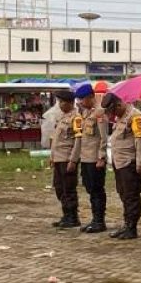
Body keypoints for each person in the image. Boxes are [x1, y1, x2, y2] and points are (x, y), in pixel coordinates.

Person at [104, 92, 141, 239]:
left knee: (131, 196)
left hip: (130, 163)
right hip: (119, 162)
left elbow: (140, 140)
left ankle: (132, 227)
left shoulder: (135, 116)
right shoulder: (120, 117)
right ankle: (127, 223)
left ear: (118, 105)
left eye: (113, 111)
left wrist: (140, 163)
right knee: (123, 194)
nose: (112, 115)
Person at [74, 84, 110, 234]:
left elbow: (103, 137)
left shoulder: (99, 113)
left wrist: (101, 157)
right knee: (89, 188)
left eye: (82, 99)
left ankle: (99, 221)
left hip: (95, 159)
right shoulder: (86, 113)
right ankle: (95, 219)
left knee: (97, 190)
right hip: (86, 157)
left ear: (90, 97)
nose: (80, 102)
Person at [46, 89, 82, 229]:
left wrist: (73, 160)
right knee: (59, 187)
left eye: (62, 102)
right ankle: (66, 215)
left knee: (69, 189)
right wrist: (52, 156)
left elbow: (78, 140)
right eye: (59, 102)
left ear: (70, 103)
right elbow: (56, 139)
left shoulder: (76, 118)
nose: (60, 105)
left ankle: (72, 217)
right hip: (58, 158)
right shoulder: (62, 117)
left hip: (67, 158)